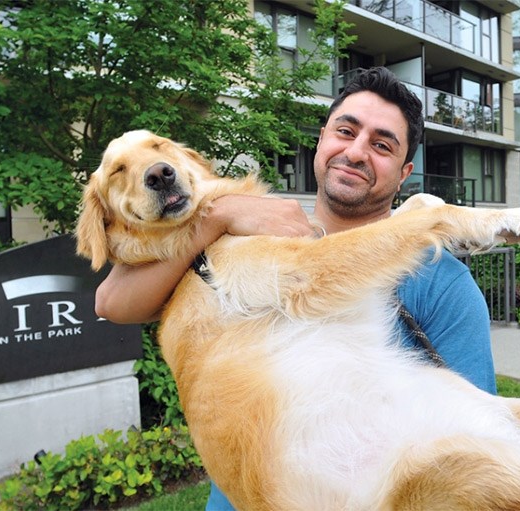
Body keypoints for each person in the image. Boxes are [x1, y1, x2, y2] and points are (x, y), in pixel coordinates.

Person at [95, 67, 496, 510]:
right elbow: (112, 300)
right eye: (346, 131)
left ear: (403, 174)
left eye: (382, 145)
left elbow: (479, 447)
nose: (357, 151)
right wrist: (216, 219)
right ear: (322, 139)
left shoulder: (444, 285)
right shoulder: (254, 234)